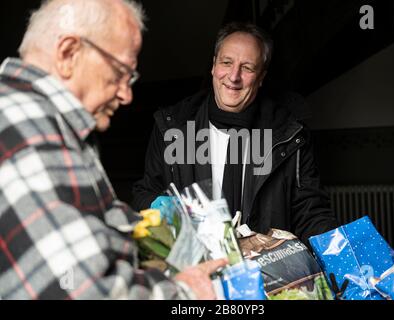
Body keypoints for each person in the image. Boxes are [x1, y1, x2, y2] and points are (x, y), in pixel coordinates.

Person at [0, 0, 226, 300]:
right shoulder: (28, 127)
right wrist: (186, 293)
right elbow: (79, 291)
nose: (127, 94)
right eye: (121, 72)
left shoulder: (35, 117)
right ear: (68, 53)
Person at [132, 22, 338, 247]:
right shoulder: (172, 126)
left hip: (266, 272)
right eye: (226, 63)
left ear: (261, 77)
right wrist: (156, 204)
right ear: (213, 66)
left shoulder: (289, 135)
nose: (234, 76)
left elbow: (311, 212)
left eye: (247, 68)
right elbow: (146, 190)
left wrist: (343, 254)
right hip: (194, 269)